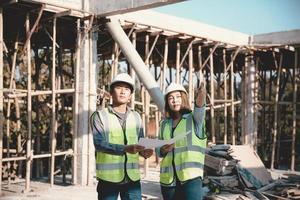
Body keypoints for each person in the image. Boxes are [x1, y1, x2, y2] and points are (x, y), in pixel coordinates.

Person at [90, 73, 153, 200]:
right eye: (119, 87)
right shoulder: (99, 116)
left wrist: (145, 152)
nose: (123, 92)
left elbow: (140, 143)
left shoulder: (136, 116)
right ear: (111, 93)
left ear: (130, 95)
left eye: (127, 89)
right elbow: (99, 144)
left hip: (132, 178)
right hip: (108, 180)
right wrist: (125, 149)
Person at [156, 82, 207, 200]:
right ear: (167, 102)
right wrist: (163, 149)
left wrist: (201, 94)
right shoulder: (164, 124)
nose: (175, 100)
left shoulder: (194, 119)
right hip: (168, 179)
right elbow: (158, 150)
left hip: (191, 177)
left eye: (178, 97)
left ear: (184, 98)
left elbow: (200, 107)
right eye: (171, 98)